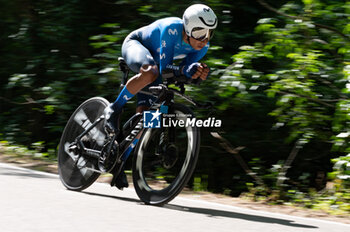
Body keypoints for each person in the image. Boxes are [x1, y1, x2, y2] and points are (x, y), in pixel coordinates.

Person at [105, 4, 218, 189]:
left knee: (146, 119)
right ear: (188, 28)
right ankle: (114, 107)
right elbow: (166, 69)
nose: (204, 39)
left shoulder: (202, 48)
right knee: (150, 71)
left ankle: (119, 161)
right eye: (199, 32)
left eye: (209, 33)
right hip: (137, 45)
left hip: (158, 65)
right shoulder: (172, 29)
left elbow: (181, 75)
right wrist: (185, 70)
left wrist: (197, 74)